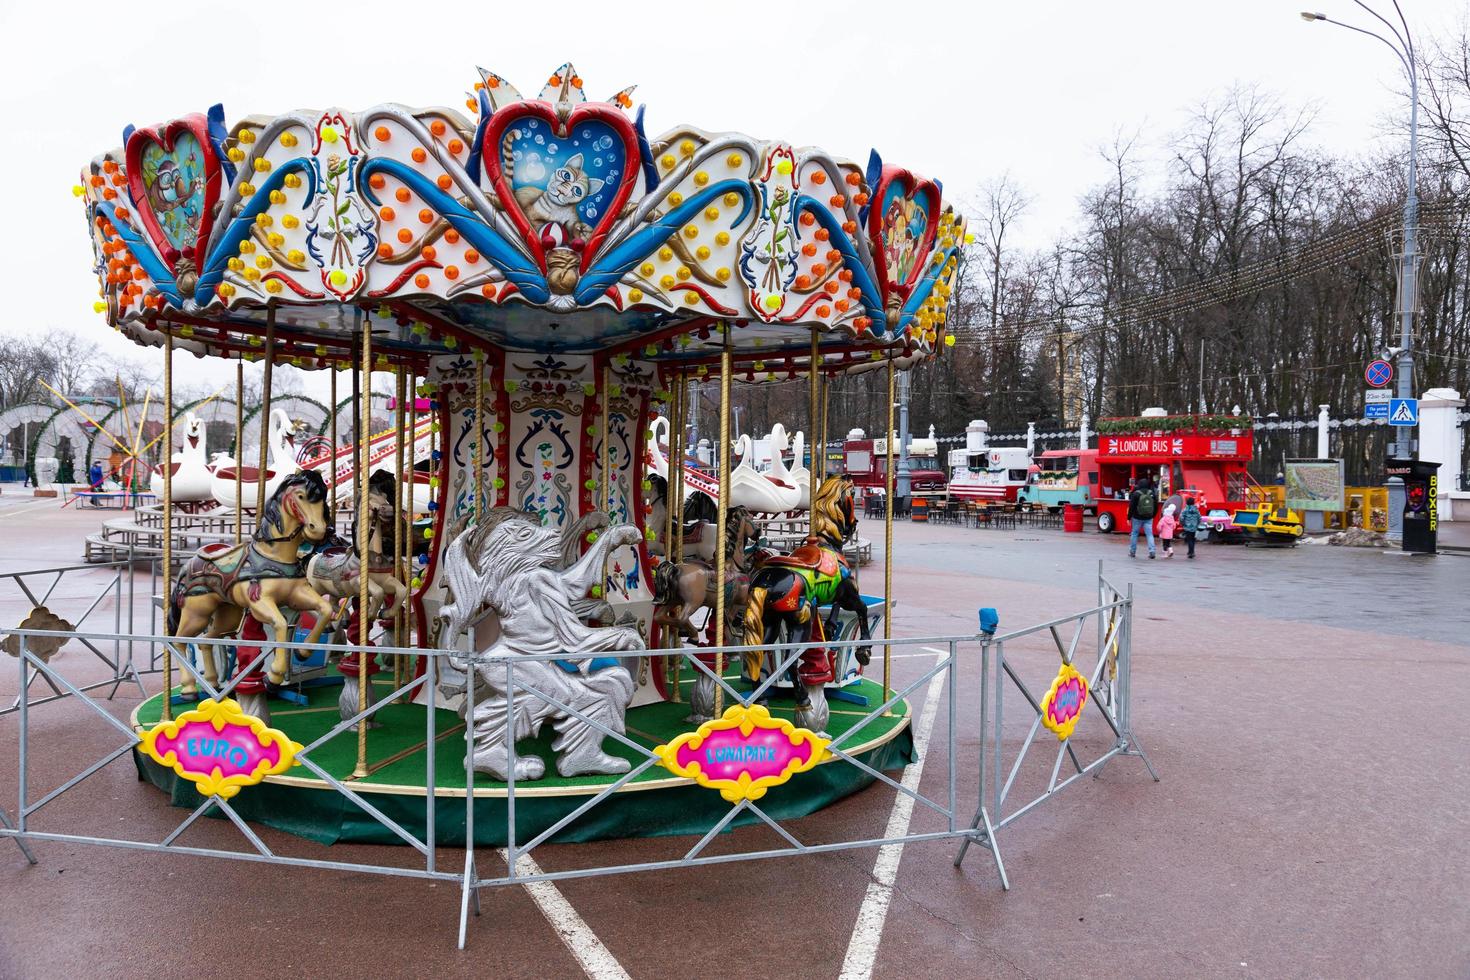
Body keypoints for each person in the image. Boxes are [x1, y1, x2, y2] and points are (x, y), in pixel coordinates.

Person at [1128, 475, 1156, 559]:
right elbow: (1156, 505)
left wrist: (1128, 517)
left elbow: (1131, 506)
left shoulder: (1136, 494)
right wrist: (1153, 515)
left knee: (1134, 534)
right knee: (1149, 534)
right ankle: (1152, 551)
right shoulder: (1151, 493)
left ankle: (1132, 552)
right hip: (1148, 517)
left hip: (1137, 517)